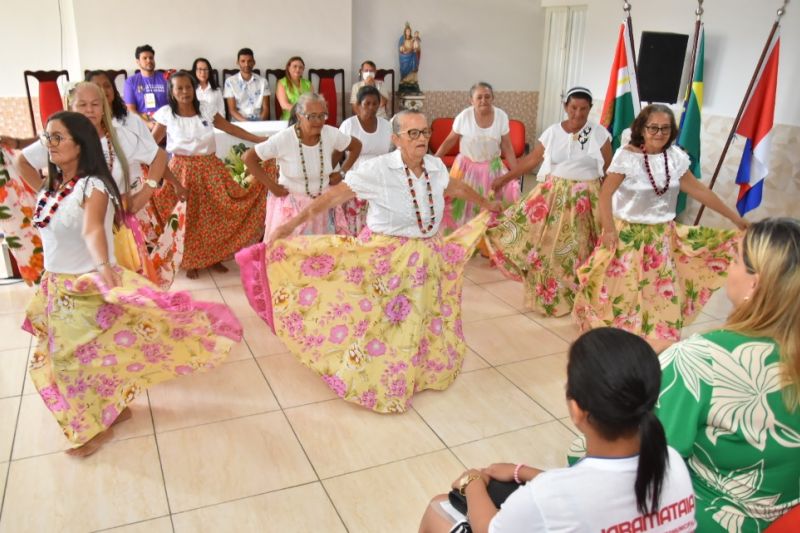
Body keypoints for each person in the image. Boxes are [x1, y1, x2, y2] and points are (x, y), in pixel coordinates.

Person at [236, 109, 502, 413]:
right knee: (381, 321)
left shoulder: (434, 166)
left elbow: (455, 188)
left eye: (425, 132)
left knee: (423, 315)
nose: (422, 139)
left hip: (427, 256)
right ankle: (378, 374)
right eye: (413, 133)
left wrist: (485, 203)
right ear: (396, 138)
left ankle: (419, 370)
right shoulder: (378, 169)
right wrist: (290, 225)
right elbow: (335, 196)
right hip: (386, 257)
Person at [22, 111, 242, 457]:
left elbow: (93, 228)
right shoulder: (54, 186)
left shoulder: (92, 186)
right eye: (47, 137)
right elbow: (27, 173)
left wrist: (101, 265)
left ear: (80, 145)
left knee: (69, 363)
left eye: (57, 138)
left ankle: (89, 430)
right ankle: (115, 409)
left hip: (85, 285)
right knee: (90, 356)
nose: (48, 145)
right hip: (57, 287)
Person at [419, 328, 696, 533]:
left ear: (577, 409)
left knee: (439, 509)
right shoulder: (670, 461)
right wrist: (523, 471)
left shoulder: (552, 495)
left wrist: (473, 482)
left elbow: (490, 528)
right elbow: (588, 497)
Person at [656, 217, 800, 531]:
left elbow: (647, 465)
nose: (727, 269)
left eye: (734, 259)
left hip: (705, 518)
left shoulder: (696, 360)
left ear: (755, 283)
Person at [572, 104, 748, 351]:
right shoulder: (627, 156)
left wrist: (735, 218)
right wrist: (609, 230)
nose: (659, 133)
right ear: (641, 129)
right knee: (622, 291)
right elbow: (605, 194)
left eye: (665, 128)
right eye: (653, 127)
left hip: (661, 239)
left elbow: (699, 191)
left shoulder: (675, 158)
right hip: (627, 237)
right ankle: (615, 340)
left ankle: (655, 343)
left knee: (659, 293)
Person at [13, 81, 186, 287]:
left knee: (121, 295)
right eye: (82, 104)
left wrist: (145, 191)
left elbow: (158, 156)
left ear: (104, 107)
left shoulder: (120, 136)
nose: (89, 110)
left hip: (116, 229)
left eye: (95, 104)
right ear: (70, 106)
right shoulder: (60, 139)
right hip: (73, 235)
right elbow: (22, 161)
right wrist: (52, 193)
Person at [485, 87, 611, 317]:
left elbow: (611, 170)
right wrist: (505, 178)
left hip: (587, 199)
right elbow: (532, 160)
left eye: (584, 109)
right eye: (573, 108)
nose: (578, 114)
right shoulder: (553, 132)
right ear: (565, 107)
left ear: (590, 110)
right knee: (550, 248)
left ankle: (582, 299)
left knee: (582, 248)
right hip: (556, 196)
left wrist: (610, 200)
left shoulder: (599, 133)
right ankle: (552, 299)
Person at [150, 71, 268, 279]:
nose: (184, 92)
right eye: (179, 88)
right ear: (172, 91)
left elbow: (229, 127)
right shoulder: (167, 114)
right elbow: (151, 146)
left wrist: (257, 139)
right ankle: (191, 262)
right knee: (190, 217)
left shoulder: (205, 109)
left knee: (216, 213)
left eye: (188, 87)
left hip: (210, 168)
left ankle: (214, 258)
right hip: (182, 171)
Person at [242, 92, 361, 239]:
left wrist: (342, 172)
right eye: (312, 116)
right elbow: (248, 157)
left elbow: (356, 146)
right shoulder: (284, 139)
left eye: (322, 115)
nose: (318, 121)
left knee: (320, 257)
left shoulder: (330, 133)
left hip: (322, 207)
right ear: (299, 116)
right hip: (292, 209)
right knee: (291, 257)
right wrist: (272, 186)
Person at [436, 82, 519, 232]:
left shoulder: (501, 116)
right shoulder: (464, 116)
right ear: (471, 100)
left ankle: (487, 236)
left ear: (493, 98)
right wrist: (434, 160)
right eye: (479, 97)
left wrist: (515, 172)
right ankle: (464, 235)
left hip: (492, 168)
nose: (483, 100)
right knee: (460, 202)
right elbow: (450, 141)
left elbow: (507, 145)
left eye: (487, 96)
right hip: (465, 167)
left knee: (494, 202)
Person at [338, 85, 393, 235]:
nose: (371, 107)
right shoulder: (349, 125)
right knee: (356, 220)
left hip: (380, 179)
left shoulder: (386, 126)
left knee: (377, 222)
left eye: (375, 103)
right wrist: (339, 174)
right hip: (356, 178)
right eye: (367, 103)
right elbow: (338, 153)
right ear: (358, 105)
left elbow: (390, 153)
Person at [123, 44, 169, 128]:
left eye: (151, 58)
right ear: (138, 62)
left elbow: (174, 103)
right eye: (145, 58)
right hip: (141, 123)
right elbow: (130, 109)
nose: (149, 60)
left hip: (164, 122)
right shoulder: (131, 81)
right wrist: (147, 124)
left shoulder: (165, 78)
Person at [223, 48, 270, 122]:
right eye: (243, 61)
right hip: (239, 122)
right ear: (238, 62)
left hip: (259, 121)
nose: (246, 64)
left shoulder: (263, 82)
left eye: (249, 61)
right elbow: (232, 110)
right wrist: (247, 123)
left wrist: (259, 123)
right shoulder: (230, 82)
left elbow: (266, 108)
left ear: (254, 62)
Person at [276, 56, 312, 121]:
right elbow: (284, 105)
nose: (298, 69)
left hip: (307, 118)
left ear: (303, 70)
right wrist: (301, 113)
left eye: (300, 67)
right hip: (289, 119)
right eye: (295, 66)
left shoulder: (308, 84)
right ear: (288, 68)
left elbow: (312, 102)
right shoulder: (282, 83)